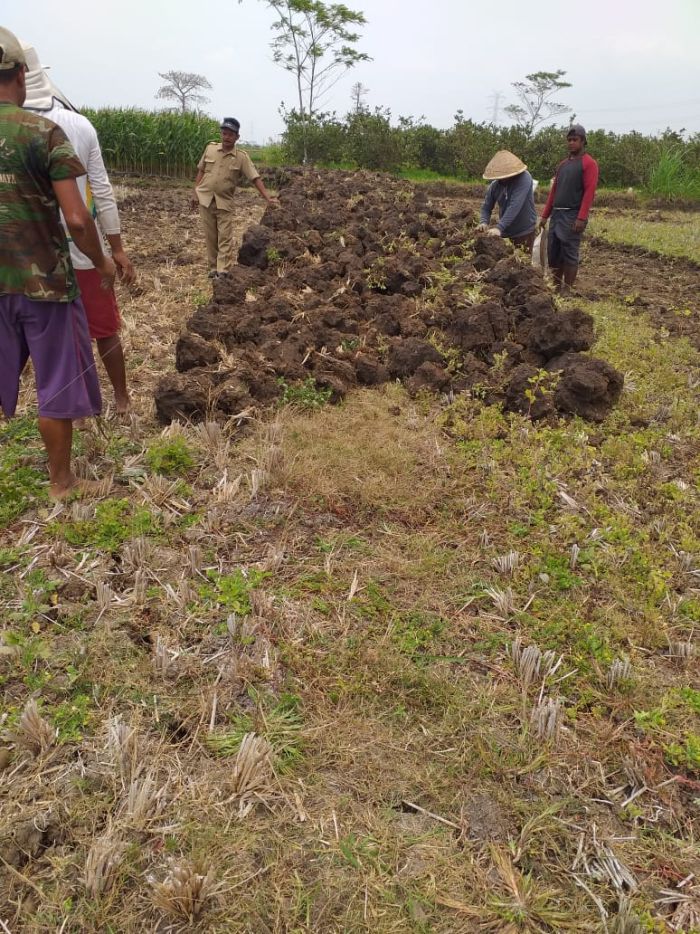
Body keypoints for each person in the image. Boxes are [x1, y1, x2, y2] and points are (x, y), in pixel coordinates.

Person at [0, 27, 115, 498]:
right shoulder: (43, 132)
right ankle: (61, 482)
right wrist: (102, 262)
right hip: (45, 284)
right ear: (22, 74)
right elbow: (76, 216)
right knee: (56, 383)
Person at [23, 40, 135, 415]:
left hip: (33, 255)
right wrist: (115, 249)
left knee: (56, 336)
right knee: (104, 328)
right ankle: (120, 399)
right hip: (83, 247)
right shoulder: (80, 125)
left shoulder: (14, 130)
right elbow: (101, 191)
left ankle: (80, 405)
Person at [192, 117, 275, 277]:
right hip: (206, 199)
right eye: (224, 133)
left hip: (224, 202)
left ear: (237, 137)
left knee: (224, 236)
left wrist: (267, 197)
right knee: (210, 236)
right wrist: (195, 192)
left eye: (231, 134)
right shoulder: (210, 149)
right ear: (221, 134)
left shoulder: (241, 157)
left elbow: (254, 178)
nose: (227, 137)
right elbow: (201, 171)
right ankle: (213, 268)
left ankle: (223, 270)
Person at [539, 124, 599, 292]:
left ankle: (568, 289)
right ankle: (557, 286)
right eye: (569, 140)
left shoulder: (589, 164)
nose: (572, 143)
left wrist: (581, 218)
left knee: (569, 252)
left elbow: (589, 192)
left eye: (575, 140)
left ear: (583, 141)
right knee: (554, 252)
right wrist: (545, 216)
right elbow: (554, 192)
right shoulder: (562, 165)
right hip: (557, 214)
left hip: (573, 215)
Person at [476, 150, 537, 253]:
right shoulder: (495, 186)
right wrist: (484, 222)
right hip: (506, 232)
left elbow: (515, 205)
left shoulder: (524, 178)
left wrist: (499, 227)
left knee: (522, 264)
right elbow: (486, 207)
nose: (502, 179)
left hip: (524, 231)